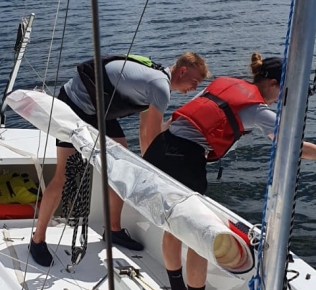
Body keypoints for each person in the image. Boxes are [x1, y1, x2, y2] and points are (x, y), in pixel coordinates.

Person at [144, 53, 316, 290]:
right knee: (197, 236)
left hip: (162, 147)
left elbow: (187, 121)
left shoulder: (227, 84)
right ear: (272, 83)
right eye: (286, 90)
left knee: (173, 226)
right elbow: (293, 146)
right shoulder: (257, 110)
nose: (285, 98)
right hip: (184, 160)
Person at [29, 51, 210, 267]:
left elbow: (147, 131)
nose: (194, 88)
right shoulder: (160, 85)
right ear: (182, 71)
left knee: (121, 167)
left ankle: (113, 229)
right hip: (76, 104)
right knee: (64, 176)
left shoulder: (158, 81)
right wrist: (156, 173)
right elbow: (150, 137)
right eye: (194, 81)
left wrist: (156, 156)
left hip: (100, 111)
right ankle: (37, 239)